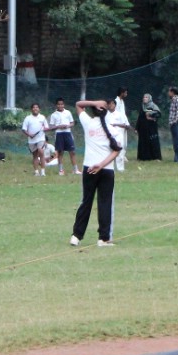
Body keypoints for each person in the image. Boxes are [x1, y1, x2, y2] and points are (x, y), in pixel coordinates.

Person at [69, 99, 122, 247]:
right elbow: (116, 151)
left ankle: (76, 236)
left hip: (89, 169)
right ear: (106, 111)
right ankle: (103, 239)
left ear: (93, 110)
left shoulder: (88, 123)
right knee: (105, 203)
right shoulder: (113, 129)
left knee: (86, 201)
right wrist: (102, 165)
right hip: (106, 170)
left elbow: (78, 104)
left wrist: (93, 103)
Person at [48, 98, 80, 175]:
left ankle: (75, 170)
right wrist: (59, 126)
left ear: (64, 105)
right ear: (56, 105)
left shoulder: (68, 112)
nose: (60, 106)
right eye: (59, 104)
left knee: (72, 152)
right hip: (59, 134)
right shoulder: (53, 115)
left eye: (62, 104)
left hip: (67, 133)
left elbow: (72, 123)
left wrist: (67, 126)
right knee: (60, 152)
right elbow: (51, 127)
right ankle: (61, 170)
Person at [22, 103, 50, 176]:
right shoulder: (28, 118)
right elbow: (24, 129)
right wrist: (30, 135)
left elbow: (46, 127)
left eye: (37, 107)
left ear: (39, 109)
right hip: (31, 140)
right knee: (35, 156)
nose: (35, 109)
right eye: (34, 107)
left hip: (41, 138)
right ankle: (36, 172)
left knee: (41, 152)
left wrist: (45, 129)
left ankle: (43, 172)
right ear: (31, 109)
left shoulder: (42, 117)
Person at [136, 93, 162, 161]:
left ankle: (155, 157)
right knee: (143, 142)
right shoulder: (142, 106)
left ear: (149, 98)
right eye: (144, 97)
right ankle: (143, 157)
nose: (144, 98)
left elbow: (158, 114)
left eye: (146, 97)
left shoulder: (152, 106)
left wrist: (150, 114)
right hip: (143, 128)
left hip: (151, 128)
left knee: (153, 142)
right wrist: (137, 128)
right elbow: (140, 118)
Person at [109, 92, 131, 172]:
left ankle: (120, 169)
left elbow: (127, 126)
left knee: (120, 152)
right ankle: (110, 168)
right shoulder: (106, 115)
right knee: (109, 152)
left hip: (119, 135)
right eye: (109, 104)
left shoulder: (120, 114)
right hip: (109, 136)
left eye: (112, 104)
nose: (110, 106)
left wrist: (116, 124)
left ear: (115, 105)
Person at [167, 87, 178, 163]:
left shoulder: (177, 99)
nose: (168, 93)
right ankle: (176, 157)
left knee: (177, 140)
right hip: (173, 123)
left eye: (169, 92)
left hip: (176, 123)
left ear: (172, 92)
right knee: (175, 141)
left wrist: (175, 121)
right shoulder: (173, 100)